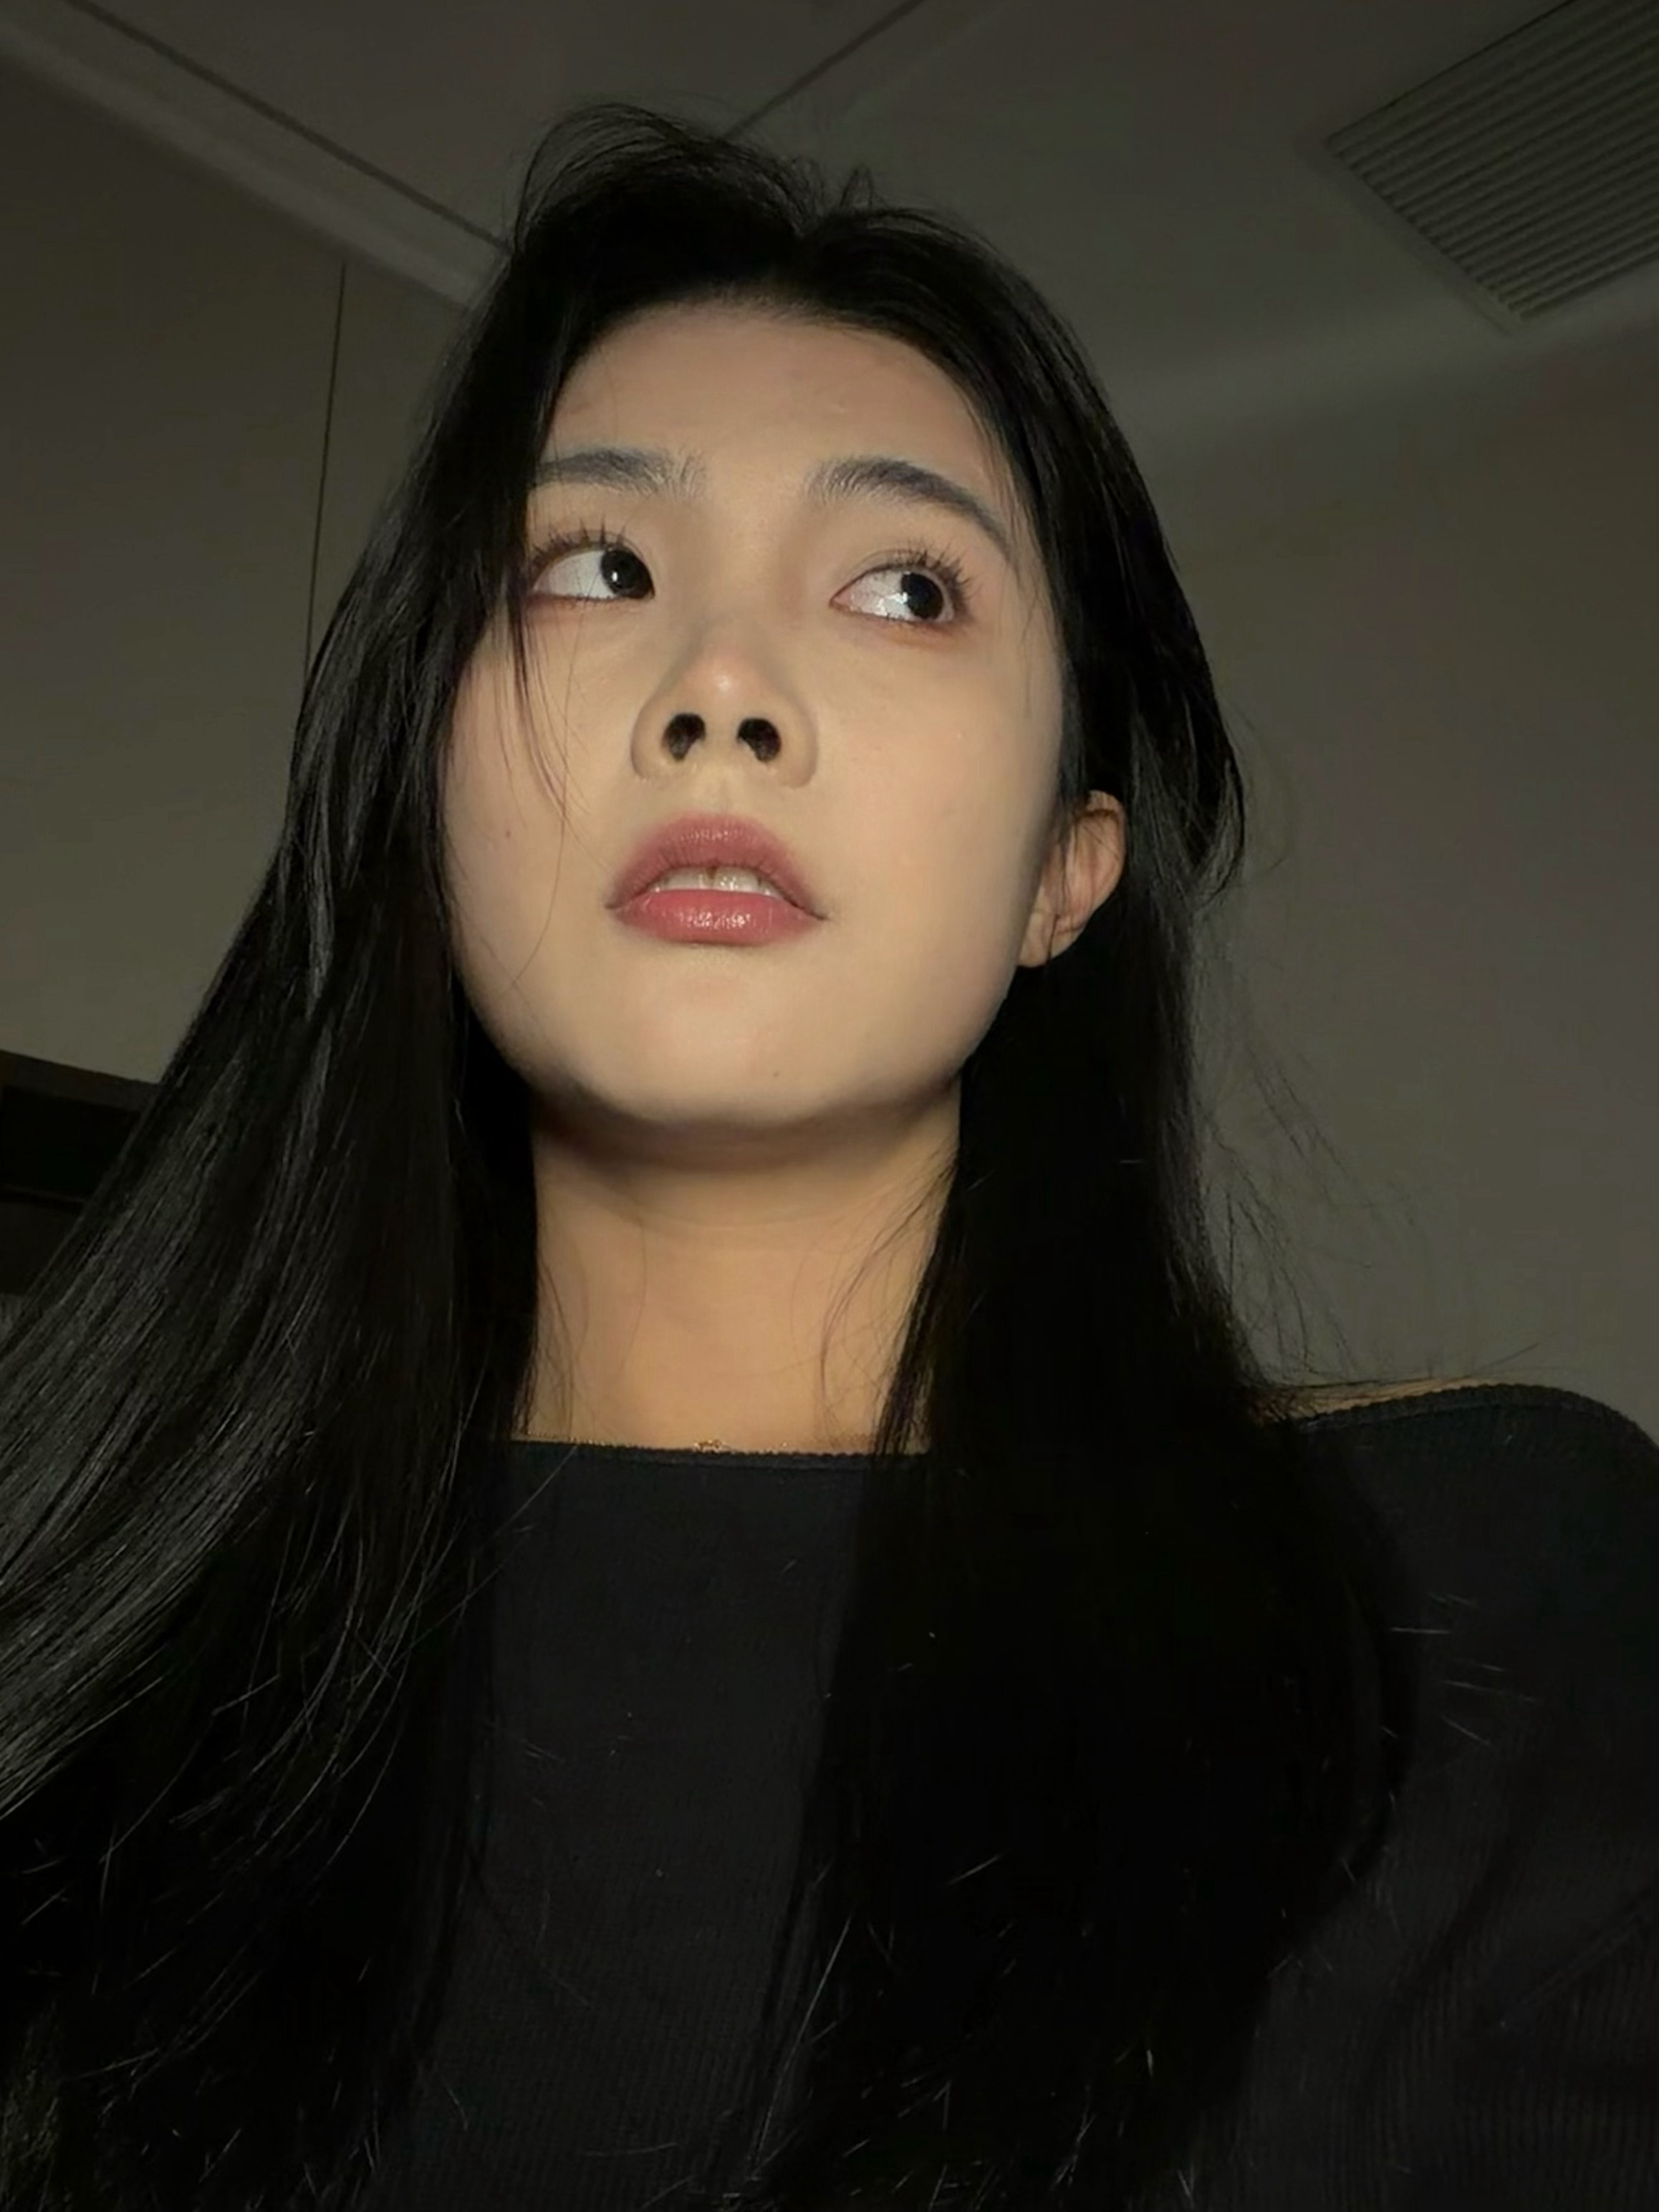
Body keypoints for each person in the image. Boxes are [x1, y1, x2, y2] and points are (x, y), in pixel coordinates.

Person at [0, 103, 1650, 2212]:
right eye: (596, 566)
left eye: (902, 588)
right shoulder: (102, 1631)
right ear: (426, 792)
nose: (720, 690)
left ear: (1064, 873)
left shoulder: (1487, 1590)